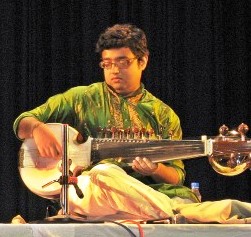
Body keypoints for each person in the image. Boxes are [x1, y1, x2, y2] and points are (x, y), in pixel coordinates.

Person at [13, 24, 251, 223]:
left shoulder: (163, 114)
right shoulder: (81, 98)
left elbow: (176, 177)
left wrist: (155, 169)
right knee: (102, 174)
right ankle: (181, 213)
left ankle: (165, 212)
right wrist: (37, 128)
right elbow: (22, 122)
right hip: (96, 192)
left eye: (123, 62)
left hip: (149, 194)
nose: (114, 70)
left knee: (114, 179)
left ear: (143, 61)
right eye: (107, 64)